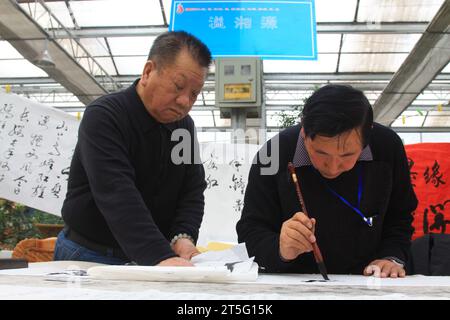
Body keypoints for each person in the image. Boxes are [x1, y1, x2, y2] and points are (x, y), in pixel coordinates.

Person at [54, 31, 212, 266]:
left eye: (194, 94)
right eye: (178, 86)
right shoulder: (105, 116)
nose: (185, 101)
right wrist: (161, 257)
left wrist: (183, 237)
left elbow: (191, 190)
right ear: (148, 72)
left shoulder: (184, 128)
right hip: (90, 254)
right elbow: (116, 192)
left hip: (150, 256)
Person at [237, 84, 418, 278]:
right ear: (304, 133)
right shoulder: (274, 154)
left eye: (347, 155)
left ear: (368, 136)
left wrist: (391, 257)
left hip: (371, 280)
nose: (332, 167)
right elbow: (251, 231)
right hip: (297, 282)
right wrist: (280, 249)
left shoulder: (387, 147)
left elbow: (400, 215)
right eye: (320, 153)